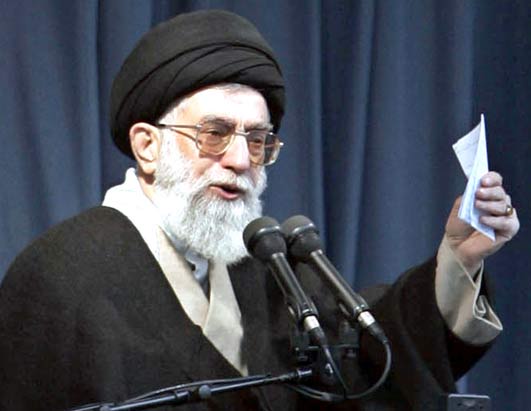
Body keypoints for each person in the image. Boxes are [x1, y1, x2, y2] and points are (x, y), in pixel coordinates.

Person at [0, 9, 519, 411]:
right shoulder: (59, 277)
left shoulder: (267, 265)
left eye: (257, 139)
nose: (241, 159)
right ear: (147, 146)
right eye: (215, 133)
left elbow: (366, 366)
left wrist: (458, 257)